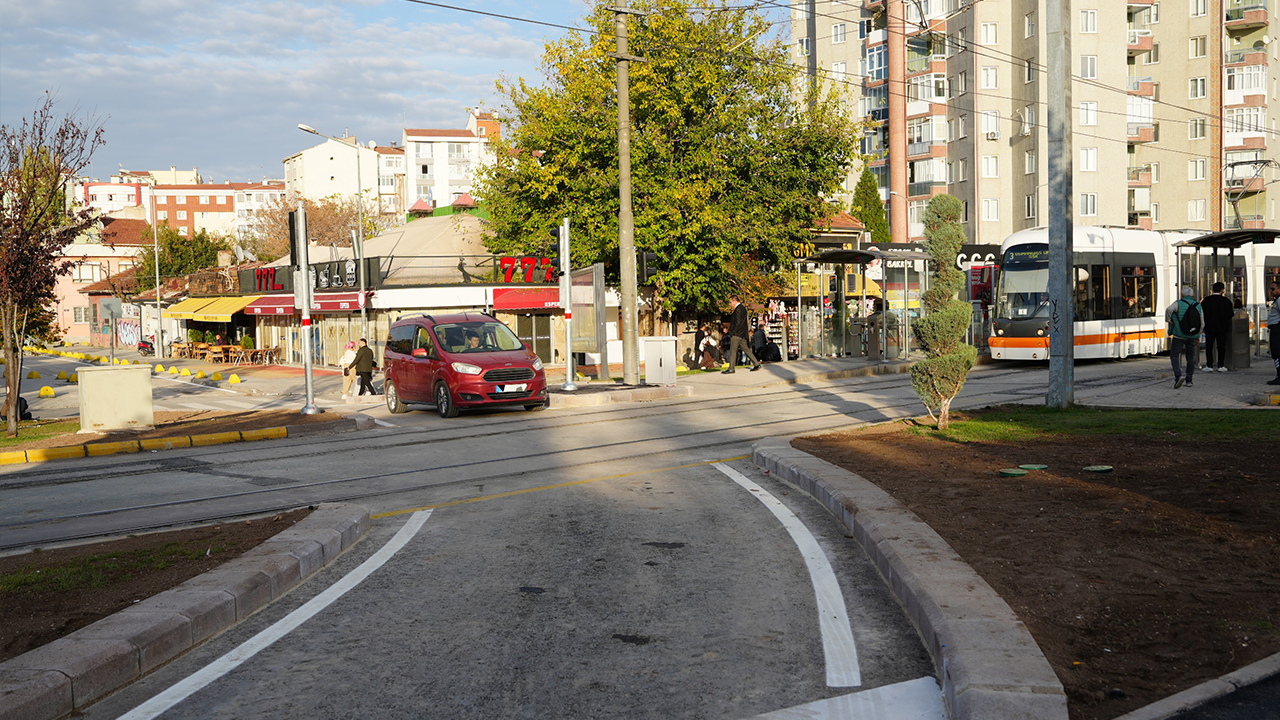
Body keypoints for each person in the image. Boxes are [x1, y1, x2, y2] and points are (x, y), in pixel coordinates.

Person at [1165, 285, 1202, 389]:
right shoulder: (1198, 305)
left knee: (1174, 356)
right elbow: (1202, 322)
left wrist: (1169, 320)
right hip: (1193, 336)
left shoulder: (1178, 303)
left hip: (1179, 335)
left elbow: (1168, 310)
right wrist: (1198, 335)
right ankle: (1189, 380)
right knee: (1190, 357)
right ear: (1193, 295)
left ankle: (1178, 375)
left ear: (1182, 295)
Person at [722, 294, 762, 373]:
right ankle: (756, 364)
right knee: (746, 349)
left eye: (730, 302)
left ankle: (731, 368)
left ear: (734, 301)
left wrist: (732, 333)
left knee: (733, 351)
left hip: (737, 334)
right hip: (742, 334)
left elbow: (738, 323)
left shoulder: (738, 310)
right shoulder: (743, 309)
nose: (730, 305)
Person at [1200, 282, 1234, 372]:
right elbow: (1230, 314)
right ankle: (1221, 365)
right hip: (1222, 328)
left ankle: (1209, 365)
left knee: (1209, 347)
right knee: (1221, 346)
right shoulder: (1226, 301)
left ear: (1212, 290)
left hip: (1209, 327)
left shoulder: (1206, 301)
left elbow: (1201, 314)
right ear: (1222, 290)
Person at [1268, 282, 1280, 386]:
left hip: (1277, 328)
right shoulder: (1276, 301)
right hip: (1275, 327)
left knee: (1276, 352)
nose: (1270, 291)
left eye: (1273, 289)